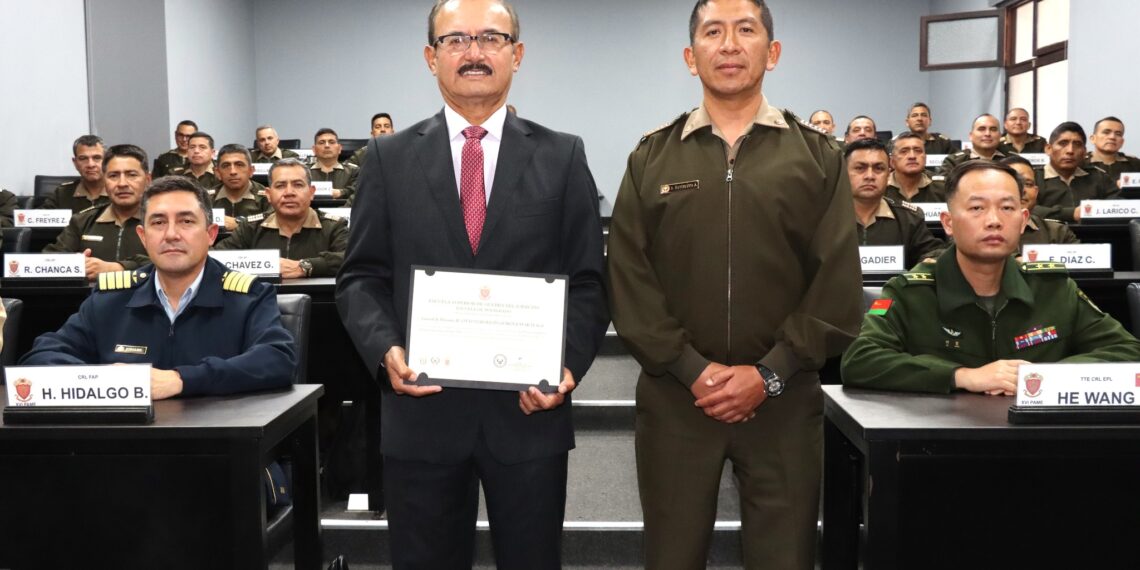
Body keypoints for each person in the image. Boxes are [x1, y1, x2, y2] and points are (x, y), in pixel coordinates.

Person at [334, 0, 608, 568]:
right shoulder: (386, 159)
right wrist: (386, 350)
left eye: (491, 38)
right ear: (431, 58)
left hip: (529, 413)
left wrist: (567, 366)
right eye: (456, 40)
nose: (474, 52)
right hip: (422, 415)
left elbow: (588, 281)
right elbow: (361, 277)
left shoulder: (563, 156)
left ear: (517, 53)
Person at [606, 1, 863, 567]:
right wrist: (691, 369)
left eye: (746, 30)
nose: (729, 44)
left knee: (785, 556)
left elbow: (837, 282)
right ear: (689, 56)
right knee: (671, 556)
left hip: (785, 401)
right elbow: (629, 277)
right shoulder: (650, 158)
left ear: (771, 52)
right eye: (713, 32)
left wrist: (770, 372)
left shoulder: (818, 157)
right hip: (676, 399)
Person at [841, 160, 1140, 393]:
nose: (994, 221)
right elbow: (860, 361)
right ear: (947, 223)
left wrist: (1041, 377)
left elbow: (1127, 350)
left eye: (1007, 208)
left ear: (1023, 221)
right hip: (943, 445)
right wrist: (962, 377)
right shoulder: (910, 292)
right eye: (976, 208)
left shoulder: (1053, 288)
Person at [21, 175, 296, 399]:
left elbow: (276, 360)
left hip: (221, 450)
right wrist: (106, 382)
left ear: (211, 234)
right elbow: (42, 356)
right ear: (142, 237)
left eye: (186, 221)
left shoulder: (249, 296)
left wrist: (181, 380)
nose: (171, 234)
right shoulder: (110, 298)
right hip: (127, 451)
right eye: (158, 222)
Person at [215, 158, 347, 279]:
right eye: (280, 186)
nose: (289, 192)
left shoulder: (333, 226)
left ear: (311, 193)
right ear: (268, 194)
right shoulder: (251, 227)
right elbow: (216, 257)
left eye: (298, 185)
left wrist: (305, 266)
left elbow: (352, 258)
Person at [43, 144, 152, 280]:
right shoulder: (82, 221)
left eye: (131, 175)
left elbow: (178, 263)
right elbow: (47, 261)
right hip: (90, 299)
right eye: (113, 176)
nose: (122, 183)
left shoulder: (163, 222)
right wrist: (71, 264)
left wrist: (118, 268)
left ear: (147, 180)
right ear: (104, 181)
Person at [848, 138, 944, 268]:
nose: (869, 176)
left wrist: (931, 261)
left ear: (888, 173)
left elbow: (932, 252)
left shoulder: (909, 218)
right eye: (860, 168)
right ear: (844, 172)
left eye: (879, 168)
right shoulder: (823, 217)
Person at [1034, 121, 1119, 224]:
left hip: (1093, 236)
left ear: (1084, 152)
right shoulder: (1034, 178)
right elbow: (1026, 209)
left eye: (1077, 144)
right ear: (1048, 149)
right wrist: (1072, 213)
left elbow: (1119, 205)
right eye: (1063, 143)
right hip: (1050, 238)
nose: (1070, 150)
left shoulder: (1098, 177)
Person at [1002, 155, 1078, 245]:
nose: (1022, 190)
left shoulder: (1058, 233)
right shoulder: (985, 229)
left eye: (1028, 184)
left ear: (1036, 191)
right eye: (1015, 182)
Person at [44, 135, 111, 213]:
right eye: (83, 158)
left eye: (97, 158)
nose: (90, 164)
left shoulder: (119, 190)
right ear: (75, 163)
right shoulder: (62, 193)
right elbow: (38, 220)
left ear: (107, 161)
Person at [212, 144, 268, 231]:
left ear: (251, 170)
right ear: (217, 173)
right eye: (226, 166)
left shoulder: (267, 197)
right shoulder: (206, 198)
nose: (233, 172)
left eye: (239, 165)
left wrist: (240, 223)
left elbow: (274, 225)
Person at [887, 131, 945, 203]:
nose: (912, 156)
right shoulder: (881, 187)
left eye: (918, 151)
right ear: (892, 161)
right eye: (904, 151)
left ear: (925, 158)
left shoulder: (942, 188)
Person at [940, 114, 1006, 175]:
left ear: (1000, 136)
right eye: (981, 129)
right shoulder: (954, 161)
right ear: (971, 136)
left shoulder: (1011, 159)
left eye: (993, 129)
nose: (987, 134)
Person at [1086, 116, 1140, 183]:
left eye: (1118, 134)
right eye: (1106, 132)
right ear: (1093, 139)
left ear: (1122, 142)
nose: (1112, 137)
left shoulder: (1135, 164)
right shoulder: (1081, 163)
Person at [309, 128, 359, 200]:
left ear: (339, 148)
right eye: (321, 142)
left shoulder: (353, 171)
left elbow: (359, 191)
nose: (327, 146)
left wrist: (341, 193)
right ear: (314, 149)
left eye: (331, 142)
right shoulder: (304, 172)